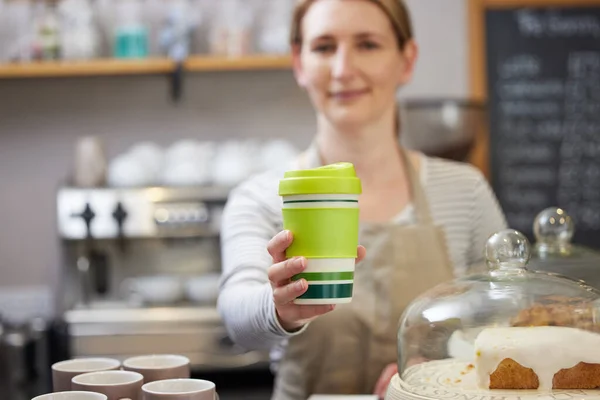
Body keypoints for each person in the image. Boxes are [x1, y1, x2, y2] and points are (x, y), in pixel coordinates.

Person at [217, 0, 507, 399]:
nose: (342, 69)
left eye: (367, 44)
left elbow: (505, 318)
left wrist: (442, 363)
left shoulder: (466, 192)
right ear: (299, 63)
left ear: (407, 60)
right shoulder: (263, 197)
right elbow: (237, 316)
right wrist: (278, 307)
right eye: (323, 47)